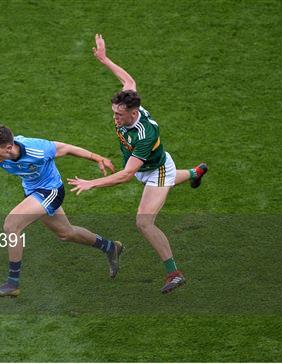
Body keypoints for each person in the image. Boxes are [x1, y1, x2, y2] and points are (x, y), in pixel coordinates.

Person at [68, 34, 208, 294]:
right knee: (163, 180)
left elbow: (125, 175)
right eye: (114, 113)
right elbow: (128, 81)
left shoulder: (145, 135)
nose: (116, 118)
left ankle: (174, 273)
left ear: (133, 113)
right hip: (148, 169)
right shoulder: (129, 107)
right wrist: (104, 58)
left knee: (144, 222)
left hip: (156, 170)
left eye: (119, 115)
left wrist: (91, 183)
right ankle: (196, 171)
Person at [0, 124, 124, 297]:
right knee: (66, 233)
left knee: (11, 225)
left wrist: (98, 158)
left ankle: (12, 283)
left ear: (8, 147)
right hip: (32, 193)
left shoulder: (37, 149)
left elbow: (66, 148)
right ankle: (110, 247)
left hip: (51, 191)